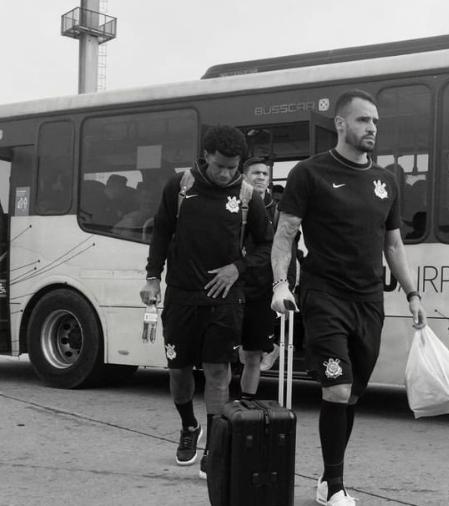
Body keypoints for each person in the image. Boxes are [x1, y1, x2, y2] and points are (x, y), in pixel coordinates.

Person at [271, 89, 426, 506]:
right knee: (336, 389)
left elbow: (393, 245)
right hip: (324, 298)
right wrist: (280, 284)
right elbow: (285, 234)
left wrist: (412, 293)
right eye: (362, 120)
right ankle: (336, 486)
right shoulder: (310, 173)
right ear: (340, 124)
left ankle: (327, 477)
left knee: (353, 394)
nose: (371, 127)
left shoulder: (385, 182)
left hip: (368, 302)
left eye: (375, 121)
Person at [139, 125, 273, 478]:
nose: (226, 173)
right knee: (179, 372)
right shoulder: (180, 187)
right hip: (181, 297)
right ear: (205, 158)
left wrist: (236, 268)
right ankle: (188, 426)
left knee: (217, 372)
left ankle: (214, 447)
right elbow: (162, 232)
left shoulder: (247, 196)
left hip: (226, 301)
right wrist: (153, 277)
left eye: (232, 167)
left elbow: (265, 245)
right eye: (219, 166)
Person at [236, 157, 281, 400]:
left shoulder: (278, 210)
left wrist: (285, 284)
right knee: (224, 352)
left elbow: (288, 250)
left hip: (263, 290)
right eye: (256, 172)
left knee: (253, 354)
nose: (261, 177)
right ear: (244, 176)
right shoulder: (234, 205)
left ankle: (246, 401)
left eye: (265, 173)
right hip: (235, 286)